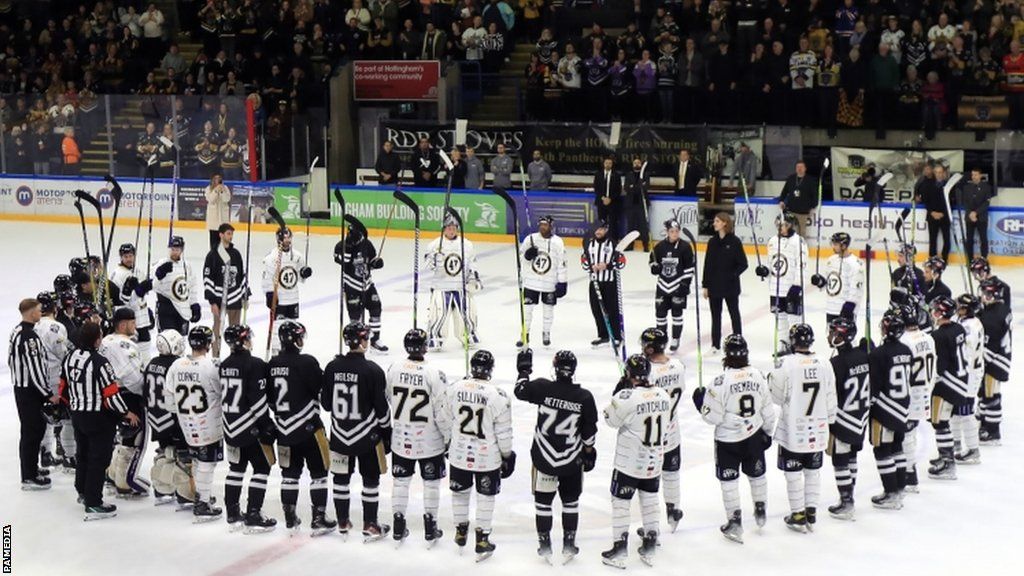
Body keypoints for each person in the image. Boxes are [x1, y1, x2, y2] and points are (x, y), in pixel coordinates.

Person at [515, 348, 598, 564]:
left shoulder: (543, 387)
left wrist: (524, 370)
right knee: (570, 501)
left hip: (544, 458)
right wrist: (589, 452)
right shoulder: (584, 397)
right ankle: (569, 543)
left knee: (543, 502)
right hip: (571, 460)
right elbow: (589, 432)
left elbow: (520, 391)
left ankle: (544, 543)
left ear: (555, 366)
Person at [692, 334, 775, 543]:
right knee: (757, 476)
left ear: (725, 355)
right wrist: (767, 432)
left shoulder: (719, 383)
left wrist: (701, 402)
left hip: (728, 442)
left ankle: (735, 522)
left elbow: (713, 417)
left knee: (729, 482)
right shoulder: (758, 375)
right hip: (754, 435)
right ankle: (760, 509)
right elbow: (768, 410)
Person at [439, 350, 515, 561]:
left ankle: (461, 531)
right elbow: (504, 433)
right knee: (485, 497)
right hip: (487, 457)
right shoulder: (498, 395)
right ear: (490, 369)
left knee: (460, 493)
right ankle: (482, 539)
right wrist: (507, 455)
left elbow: (443, 418)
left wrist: (448, 441)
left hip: (459, 453)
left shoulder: (454, 388)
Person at [60, 321, 139, 520]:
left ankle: (83, 491)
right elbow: (111, 395)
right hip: (98, 418)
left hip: (78, 414)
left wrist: (74, 405)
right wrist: (126, 413)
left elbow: (63, 387)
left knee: (83, 453)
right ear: (97, 340)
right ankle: (94, 503)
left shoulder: (70, 357)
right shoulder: (100, 362)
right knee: (99, 458)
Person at [321, 322, 392, 540]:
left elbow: (326, 404)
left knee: (341, 479)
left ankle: (342, 521)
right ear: (362, 341)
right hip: (367, 437)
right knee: (370, 480)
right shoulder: (373, 370)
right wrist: (387, 433)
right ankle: (370, 524)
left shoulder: (332, 367)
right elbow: (382, 408)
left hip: (340, 436)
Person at [601, 355, 670, 568]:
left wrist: (618, 392)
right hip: (654, 461)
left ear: (628, 374)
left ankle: (620, 549)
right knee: (649, 500)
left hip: (629, 463)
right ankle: (650, 540)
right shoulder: (663, 395)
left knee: (621, 504)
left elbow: (610, 419)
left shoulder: (626, 397)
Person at [268, 322, 336, 535]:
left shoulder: (271, 364)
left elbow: (269, 397)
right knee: (319, 474)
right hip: (309, 429)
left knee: (289, 475)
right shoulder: (307, 362)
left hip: (283, 431)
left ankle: (290, 517)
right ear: (296, 339)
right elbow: (320, 387)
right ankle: (318, 518)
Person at [769, 324, 837, 533]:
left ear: (792, 341)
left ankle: (798, 513)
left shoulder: (785, 364)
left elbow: (776, 397)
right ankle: (812, 512)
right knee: (813, 472)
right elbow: (830, 396)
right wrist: (830, 423)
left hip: (793, 429)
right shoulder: (825, 363)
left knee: (793, 474)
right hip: (818, 427)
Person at [385, 328, 450, 546]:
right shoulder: (434, 372)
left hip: (401, 437)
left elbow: (387, 397)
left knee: (401, 482)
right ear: (425, 346)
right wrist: (448, 437)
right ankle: (430, 527)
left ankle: (398, 525)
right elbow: (442, 410)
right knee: (431, 484)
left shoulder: (393, 368)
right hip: (430, 440)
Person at [219, 324, 277, 533]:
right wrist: (266, 425)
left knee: (236, 469)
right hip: (249, 427)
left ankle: (232, 512)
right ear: (243, 341)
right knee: (262, 467)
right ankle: (253, 512)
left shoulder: (224, 364)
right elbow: (257, 399)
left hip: (230, 426)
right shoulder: (255, 364)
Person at [166, 325, 224, 521]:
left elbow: (169, 398)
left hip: (186, 424)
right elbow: (221, 393)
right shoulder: (211, 366)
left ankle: (200, 496)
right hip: (209, 423)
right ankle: (202, 502)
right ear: (208, 344)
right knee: (208, 462)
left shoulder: (176, 365)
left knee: (198, 461)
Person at [822, 316, 870, 520]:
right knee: (852, 456)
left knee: (841, 458)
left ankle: (847, 500)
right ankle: (850, 493)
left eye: (834, 333)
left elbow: (830, 394)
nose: (830, 335)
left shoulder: (835, 363)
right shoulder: (863, 355)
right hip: (861, 416)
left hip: (843, 417)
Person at [9, 298, 57, 490]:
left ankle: (31, 469)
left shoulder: (17, 331)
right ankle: (28, 476)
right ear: (30, 313)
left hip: (21, 388)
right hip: (30, 391)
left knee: (30, 431)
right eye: (38, 310)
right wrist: (47, 394)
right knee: (32, 432)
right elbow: (35, 369)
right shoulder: (29, 337)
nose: (41, 312)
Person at [640, 328, 686, 530]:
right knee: (672, 474)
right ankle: (673, 511)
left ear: (650, 348)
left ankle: (651, 528)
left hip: (650, 436)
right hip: (672, 432)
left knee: (648, 483)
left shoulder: (648, 372)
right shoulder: (678, 366)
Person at [867, 310, 913, 509]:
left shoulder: (878, 354)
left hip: (884, 410)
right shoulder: (906, 350)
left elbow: (874, 386)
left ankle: (891, 492)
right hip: (903, 407)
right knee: (897, 448)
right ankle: (900, 488)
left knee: (882, 450)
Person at [144, 329, 195, 507]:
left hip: (155, 416)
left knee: (165, 451)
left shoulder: (152, 363)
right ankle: (185, 494)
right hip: (173, 417)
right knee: (183, 454)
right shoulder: (178, 364)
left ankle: (162, 488)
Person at [100, 308, 148, 498]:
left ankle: (112, 473)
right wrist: (145, 393)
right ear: (122, 325)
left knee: (122, 436)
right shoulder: (124, 344)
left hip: (111, 396)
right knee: (133, 436)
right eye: (132, 321)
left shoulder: (105, 341)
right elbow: (131, 374)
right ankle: (123, 481)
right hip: (127, 394)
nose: (135, 325)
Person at [926, 295, 968, 480]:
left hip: (947, 385)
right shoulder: (958, 328)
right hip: (960, 380)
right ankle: (946, 456)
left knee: (939, 422)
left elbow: (939, 368)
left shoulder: (938, 336)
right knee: (943, 421)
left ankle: (948, 462)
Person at [897, 298, 936, 493]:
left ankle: (910, 476)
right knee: (910, 433)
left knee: (907, 436)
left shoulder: (904, 341)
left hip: (910, 394)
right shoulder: (928, 337)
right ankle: (908, 473)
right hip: (925, 392)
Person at [425, 215, 480, 349]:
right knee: (439, 313)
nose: (451, 230)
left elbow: (472, 263)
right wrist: (434, 260)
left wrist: (473, 277)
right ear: (444, 229)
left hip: (461, 286)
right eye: (449, 227)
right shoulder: (435, 245)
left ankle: (468, 335)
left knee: (467, 314)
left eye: (454, 227)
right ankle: (435, 337)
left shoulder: (466, 244)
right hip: (441, 286)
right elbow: (427, 266)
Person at [34, 292, 74, 472]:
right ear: (54, 308)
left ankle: (45, 452)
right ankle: (68, 455)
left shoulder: (31, 326)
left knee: (45, 416)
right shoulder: (56, 327)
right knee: (64, 417)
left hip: (35, 378)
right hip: (55, 377)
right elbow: (62, 353)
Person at [335, 219, 388, 351]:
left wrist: (375, 263)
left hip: (367, 284)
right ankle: (357, 341)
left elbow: (370, 261)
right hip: (352, 286)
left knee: (376, 307)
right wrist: (348, 246)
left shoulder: (366, 244)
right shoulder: (341, 245)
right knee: (355, 316)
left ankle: (375, 339)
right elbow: (344, 262)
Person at [756, 213, 808, 346]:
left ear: (791, 225)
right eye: (778, 224)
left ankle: (797, 344)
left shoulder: (799, 241)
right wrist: (765, 271)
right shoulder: (773, 241)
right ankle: (783, 343)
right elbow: (772, 263)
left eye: (784, 224)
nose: (780, 227)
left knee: (794, 319)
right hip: (776, 287)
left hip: (791, 288)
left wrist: (797, 285)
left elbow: (802, 265)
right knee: (780, 319)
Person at [261, 227, 311, 355]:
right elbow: (267, 278)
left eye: (290, 237)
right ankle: (276, 352)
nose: (288, 240)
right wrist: (269, 294)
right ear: (279, 239)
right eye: (285, 237)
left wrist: (304, 273)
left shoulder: (297, 256)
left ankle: (291, 351)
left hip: (293, 297)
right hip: (280, 298)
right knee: (278, 325)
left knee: (293, 325)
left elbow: (298, 276)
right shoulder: (272, 257)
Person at [519, 215, 568, 347]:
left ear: (551, 226)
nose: (542, 227)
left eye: (545, 225)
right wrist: (528, 255)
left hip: (549, 283)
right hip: (531, 282)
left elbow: (561, 263)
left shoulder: (558, 242)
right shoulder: (530, 239)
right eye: (541, 224)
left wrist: (562, 282)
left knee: (548, 311)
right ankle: (525, 333)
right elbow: (521, 257)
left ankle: (546, 333)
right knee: (527, 310)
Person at [703, 213, 747, 353]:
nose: (714, 223)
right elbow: (707, 264)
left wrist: (732, 275)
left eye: (717, 221)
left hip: (730, 286)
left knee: (734, 313)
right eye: (714, 221)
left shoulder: (735, 242)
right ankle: (715, 345)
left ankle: (738, 341)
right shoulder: (712, 242)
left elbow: (743, 264)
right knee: (715, 316)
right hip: (714, 286)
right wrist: (705, 285)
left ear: (725, 223)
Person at [649, 220, 695, 352]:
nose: (675, 234)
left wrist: (685, 284)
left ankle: (676, 338)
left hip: (678, 285)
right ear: (667, 232)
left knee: (677, 314)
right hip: (663, 286)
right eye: (672, 232)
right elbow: (652, 261)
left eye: (676, 231)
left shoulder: (685, 247)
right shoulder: (659, 247)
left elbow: (689, 268)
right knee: (660, 314)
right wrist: (654, 267)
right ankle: (661, 339)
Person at [203, 224, 247, 357]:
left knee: (236, 331)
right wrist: (212, 301)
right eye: (228, 233)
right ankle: (215, 357)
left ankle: (236, 356)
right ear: (221, 235)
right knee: (217, 331)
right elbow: (207, 278)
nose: (230, 236)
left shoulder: (236, 254)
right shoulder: (213, 255)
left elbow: (241, 275)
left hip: (235, 299)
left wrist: (245, 295)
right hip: (219, 300)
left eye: (231, 233)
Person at [977, 278, 1012, 444]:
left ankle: (993, 430)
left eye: (986, 293)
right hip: (1000, 356)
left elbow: (991, 345)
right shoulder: (1000, 308)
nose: (983, 295)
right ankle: (986, 422)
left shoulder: (994, 316)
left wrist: (980, 364)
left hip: (996, 360)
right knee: (986, 392)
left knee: (990, 394)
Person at [108, 243, 155, 362]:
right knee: (130, 351)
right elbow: (119, 300)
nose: (129, 259)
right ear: (121, 257)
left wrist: (147, 311)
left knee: (145, 348)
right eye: (126, 256)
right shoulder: (118, 274)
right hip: (128, 318)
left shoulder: (137, 271)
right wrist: (130, 291)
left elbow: (141, 296)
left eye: (131, 256)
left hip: (142, 318)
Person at [952, 294, 984, 465]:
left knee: (965, 412)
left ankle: (973, 449)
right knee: (956, 411)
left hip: (969, 374)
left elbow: (966, 352)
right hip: (969, 372)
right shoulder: (973, 322)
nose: (957, 308)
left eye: (960, 306)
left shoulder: (969, 327)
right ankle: (956, 445)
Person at [582, 221, 624, 347]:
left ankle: (616, 336)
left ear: (606, 230)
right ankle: (603, 335)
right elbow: (584, 260)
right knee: (597, 310)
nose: (598, 232)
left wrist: (607, 266)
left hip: (610, 283)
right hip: (594, 282)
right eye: (596, 229)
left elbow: (622, 262)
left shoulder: (613, 243)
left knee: (612, 310)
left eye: (601, 229)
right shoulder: (589, 243)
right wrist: (590, 266)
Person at [811, 232, 863, 330]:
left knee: (846, 340)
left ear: (843, 245)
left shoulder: (855, 264)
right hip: (831, 307)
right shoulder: (831, 260)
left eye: (835, 244)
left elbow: (857, 289)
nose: (833, 247)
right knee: (831, 338)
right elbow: (829, 284)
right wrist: (820, 282)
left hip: (845, 309)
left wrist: (849, 306)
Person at [153, 236, 200, 335]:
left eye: (177, 249)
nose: (174, 252)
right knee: (167, 341)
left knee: (181, 342)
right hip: (166, 309)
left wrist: (194, 304)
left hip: (183, 310)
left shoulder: (187, 266)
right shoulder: (161, 264)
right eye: (172, 249)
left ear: (182, 250)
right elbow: (153, 286)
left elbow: (192, 286)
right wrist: (160, 274)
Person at [775, 160, 818, 238]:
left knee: (801, 233)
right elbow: (784, 192)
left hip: (803, 212)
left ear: (805, 168)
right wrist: (781, 201)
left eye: (801, 167)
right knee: (789, 231)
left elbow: (815, 196)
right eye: (798, 167)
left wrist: (813, 207)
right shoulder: (791, 178)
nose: (799, 169)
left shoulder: (810, 180)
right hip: (790, 211)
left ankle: (801, 248)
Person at [958, 168, 994, 260]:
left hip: (981, 218)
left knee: (983, 239)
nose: (974, 177)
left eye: (976, 175)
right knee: (969, 240)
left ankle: (983, 259)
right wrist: (970, 213)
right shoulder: (966, 187)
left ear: (980, 176)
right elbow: (964, 202)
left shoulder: (986, 187)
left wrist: (976, 213)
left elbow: (986, 203)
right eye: (972, 175)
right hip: (969, 218)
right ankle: (969, 259)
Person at [920, 164, 952, 261]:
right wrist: (932, 212)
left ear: (943, 173)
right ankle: (933, 259)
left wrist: (943, 213)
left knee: (947, 239)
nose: (938, 174)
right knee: (932, 239)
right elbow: (926, 201)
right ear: (934, 173)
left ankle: (944, 259)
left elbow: (951, 201)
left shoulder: (948, 186)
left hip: (945, 217)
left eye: (940, 172)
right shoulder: (927, 185)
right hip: (932, 216)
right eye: (936, 172)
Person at [624, 157, 651, 251]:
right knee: (630, 226)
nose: (636, 164)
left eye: (638, 163)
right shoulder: (629, 175)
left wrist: (634, 187)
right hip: (631, 205)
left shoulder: (645, 174)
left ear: (641, 164)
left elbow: (646, 187)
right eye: (635, 163)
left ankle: (646, 245)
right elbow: (627, 188)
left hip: (641, 205)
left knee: (643, 226)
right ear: (632, 164)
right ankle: (629, 245)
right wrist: (638, 187)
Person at [593, 156, 622, 239]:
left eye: (610, 163)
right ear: (603, 164)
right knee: (601, 222)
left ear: (612, 165)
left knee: (613, 223)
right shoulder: (598, 174)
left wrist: (610, 199)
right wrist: (603, 198)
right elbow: (596, 188)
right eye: (606, 163)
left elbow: (618, 190)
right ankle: (601, 238)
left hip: (613, 203)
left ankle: (613, 240)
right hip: (601, 202)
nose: (608, 165)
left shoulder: (616, 175)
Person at [204, 174, 232, 250]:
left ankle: (224, 258)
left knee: (223, 242)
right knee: (214, 242)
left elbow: (227, 199)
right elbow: (210, 200)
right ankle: (213, 257)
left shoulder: (225, 188)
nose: (218, 180)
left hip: (223, 220)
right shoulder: (208, 189)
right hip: (213, 220)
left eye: (219, 178)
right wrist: (216, 191)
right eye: (216, 178)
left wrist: (222, 191)